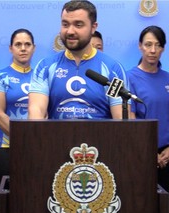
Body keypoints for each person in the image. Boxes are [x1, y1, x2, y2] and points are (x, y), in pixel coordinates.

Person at [28, 0, 129, 120]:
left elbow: (120, 120)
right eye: (65, 24)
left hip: (100, 138)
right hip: (56, 138)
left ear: (93, 27)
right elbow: (36, 111)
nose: (70, 31)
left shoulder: (113, 69)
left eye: (78, 25)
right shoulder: (45, 66)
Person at [0, 28, 36, 184]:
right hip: (7, 145)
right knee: (8, 200)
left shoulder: (41, 77)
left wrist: (33, 140)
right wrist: (23, 137)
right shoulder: (0, 76)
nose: (23, 48)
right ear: (11, 48)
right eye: (18, 44)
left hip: (35, 146)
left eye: (27, 44)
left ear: (33, 48)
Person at [127, 25, 169, 192]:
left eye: (158, 45)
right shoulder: (129, 78)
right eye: (148, 44)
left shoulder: (167, 78)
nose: (153, 50)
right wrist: (149, 149)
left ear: (163, 48)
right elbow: (130, 118)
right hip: (142, 152)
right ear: (140, 46)